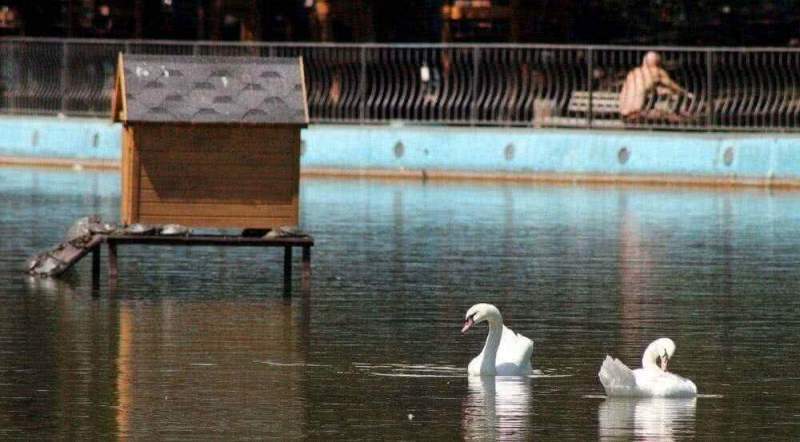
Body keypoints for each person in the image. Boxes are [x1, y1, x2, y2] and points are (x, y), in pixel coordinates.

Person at [618, 51, 693, 123]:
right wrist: (687, 94)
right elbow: (673, 87)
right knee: (673, 117)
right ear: (658, 62)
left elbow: (646, 88)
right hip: (637, 114)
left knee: (660, 113)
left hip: (623, 114)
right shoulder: (656, 71)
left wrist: (665, 92)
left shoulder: (633, 73)